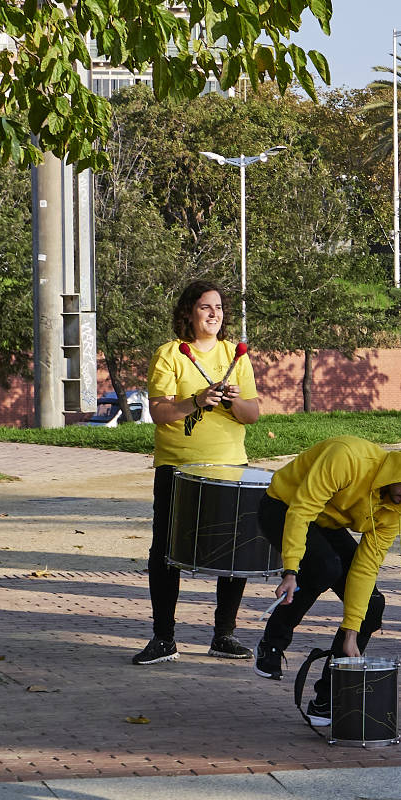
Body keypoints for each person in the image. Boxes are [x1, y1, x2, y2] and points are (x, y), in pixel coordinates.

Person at [255, 436, 401, 723]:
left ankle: (328, 698)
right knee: (323, 567)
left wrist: (351, 631)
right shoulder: (348, 458)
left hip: (326, 523)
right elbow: (302, 509)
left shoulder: (394, 512)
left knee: (371, 606)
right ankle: (272, 642)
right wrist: (291, 570)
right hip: (283, 505)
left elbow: (365, 569)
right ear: (400, 471)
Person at [132, 282, 262, 666]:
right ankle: (164, 638)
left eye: (219, 307)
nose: (214, 314)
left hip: (229, 464)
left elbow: (253, 415)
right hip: (178, 467)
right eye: (205, 307)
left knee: (233, 551)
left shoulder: (235, 355)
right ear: (189, 312)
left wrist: (235, 400)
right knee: (166, 552)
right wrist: (198, 400)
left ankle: (224, 634)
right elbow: (160, 412)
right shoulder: (170, 354)